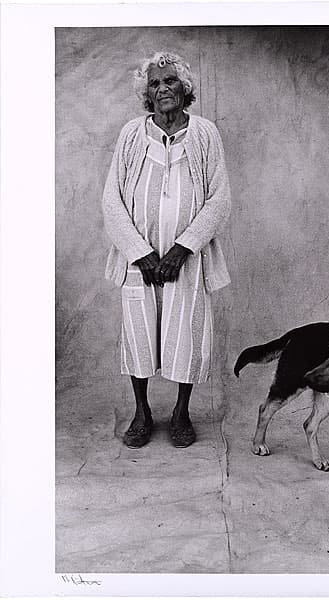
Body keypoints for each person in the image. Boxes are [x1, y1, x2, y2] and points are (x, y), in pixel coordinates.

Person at [102, 50, 231, 448]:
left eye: (170, 81)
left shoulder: (205, 132)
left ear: (185, 87)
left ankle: (181, 412)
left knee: (186, 334)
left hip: (186, 259)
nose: (162, 89)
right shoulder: (131, 134)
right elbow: (111, 200)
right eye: (154, 84)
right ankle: (142, 412)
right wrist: (139, 252)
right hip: (139, 258)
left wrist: (182, 249)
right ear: (147, 93)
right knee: (139, 333)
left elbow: (219, 199)